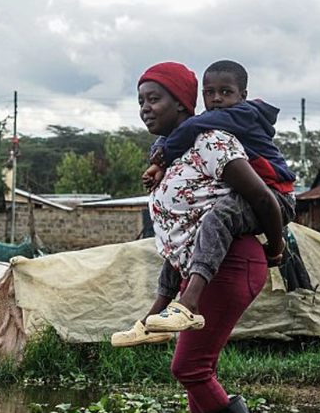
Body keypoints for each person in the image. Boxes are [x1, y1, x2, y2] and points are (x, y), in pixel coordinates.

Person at [131, 61, 281, 413]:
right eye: (141, 101)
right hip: (203, 269)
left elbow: (263, 199)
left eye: (154, 99)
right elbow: (184, 230)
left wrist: (277, 247)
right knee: (197, 371)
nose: (145, 108)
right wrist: (160, 301)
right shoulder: (172, 153)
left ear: (183, 102)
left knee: (189, 368)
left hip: (232, 263)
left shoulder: (212, 140)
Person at [111, 60, 294, 346]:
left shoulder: (231, 122)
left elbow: (261, 196)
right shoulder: (200, 131)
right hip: (243, 215)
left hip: (276, 195)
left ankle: (189, 304)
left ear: (242, 95)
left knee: (217, 217)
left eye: (226, 92)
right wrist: (161, 157)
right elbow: (181, 134)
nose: (217, 99)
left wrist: (276, 245)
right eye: (210, 93)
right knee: (180, 242)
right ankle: (152, 320)